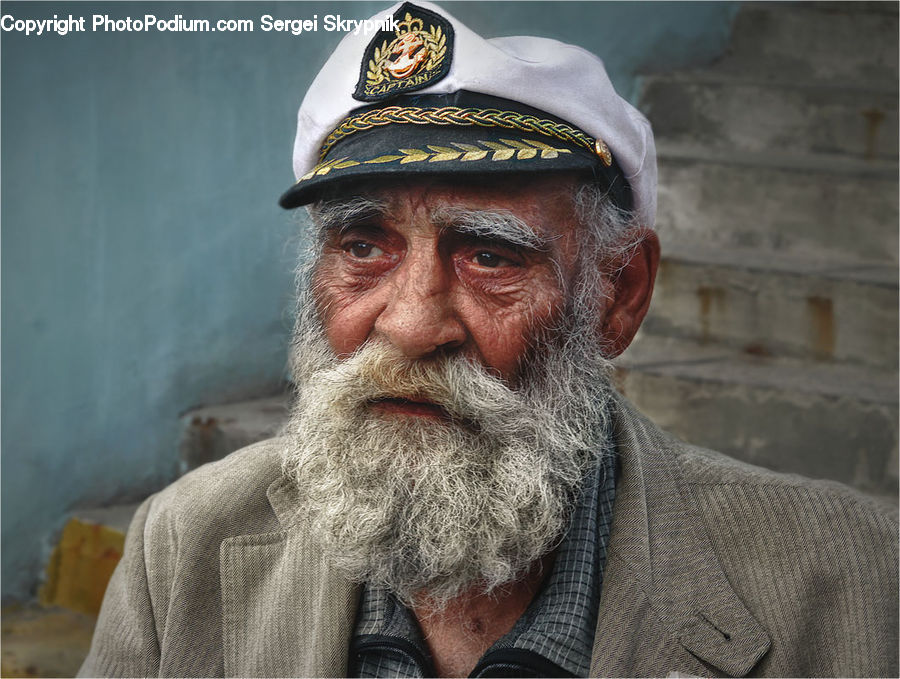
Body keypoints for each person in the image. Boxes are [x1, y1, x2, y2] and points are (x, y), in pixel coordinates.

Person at [80, 2, 898, 677]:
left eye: (489, 255)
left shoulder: (847, 581)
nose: (409, 323)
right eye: (363, 246)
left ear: (618, 293)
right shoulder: (184, 546)